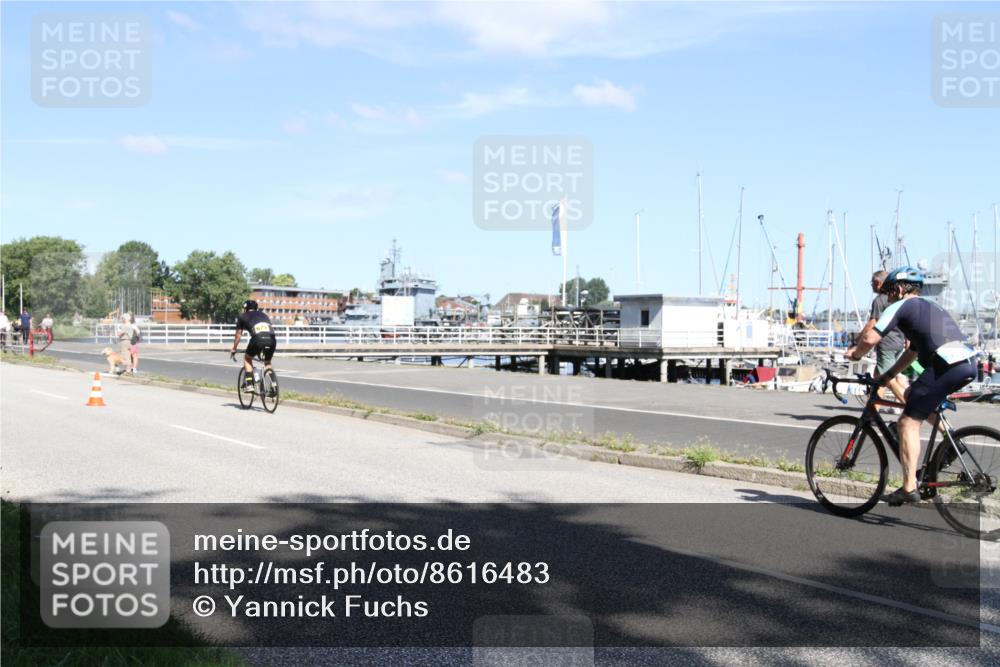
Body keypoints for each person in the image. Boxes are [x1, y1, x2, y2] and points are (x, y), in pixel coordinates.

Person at [847, 267, 977, 506]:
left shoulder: (899, 306)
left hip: (946, 365)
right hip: (967, 363)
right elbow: (912, 351)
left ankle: (908, 487)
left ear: (897, 289)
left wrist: (855, 354)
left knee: (906, 422)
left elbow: (869, 338)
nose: (886, 298)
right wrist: (889, 375)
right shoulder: (932, 307)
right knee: (911, 395)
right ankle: (950, 442)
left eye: (888, 293)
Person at [857, 270, 908, 412]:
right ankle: (873, 410)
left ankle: (912, 409)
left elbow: (872, 324)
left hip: (886, 343)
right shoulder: (898, 299)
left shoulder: (879, 300)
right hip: (899, 342)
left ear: (879, 283)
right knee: (879, 378)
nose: (872, 286)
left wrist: (857, 340)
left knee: (888, 380)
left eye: (872, 283)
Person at [230, 300, 276, 388]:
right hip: (272, 339)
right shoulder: (264, 315)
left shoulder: (243, 316)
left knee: (247, 359)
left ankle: (249, 385)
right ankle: (274, 385)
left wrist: (234, 348)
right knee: (267, 362)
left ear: (245, 308)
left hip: (257, 340)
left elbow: (238, 335)